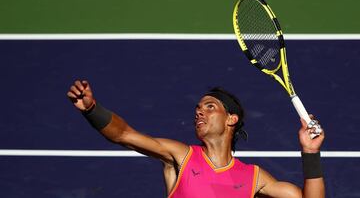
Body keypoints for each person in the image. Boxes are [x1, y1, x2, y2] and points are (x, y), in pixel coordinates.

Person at [67, 80, 325, 198]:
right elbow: (124, 135)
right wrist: (92, 110)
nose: (199, 110)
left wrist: (310, 153)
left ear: (230, 119)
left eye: (210, 106)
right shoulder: (180, 156)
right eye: (198, 108)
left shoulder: (254, 178)